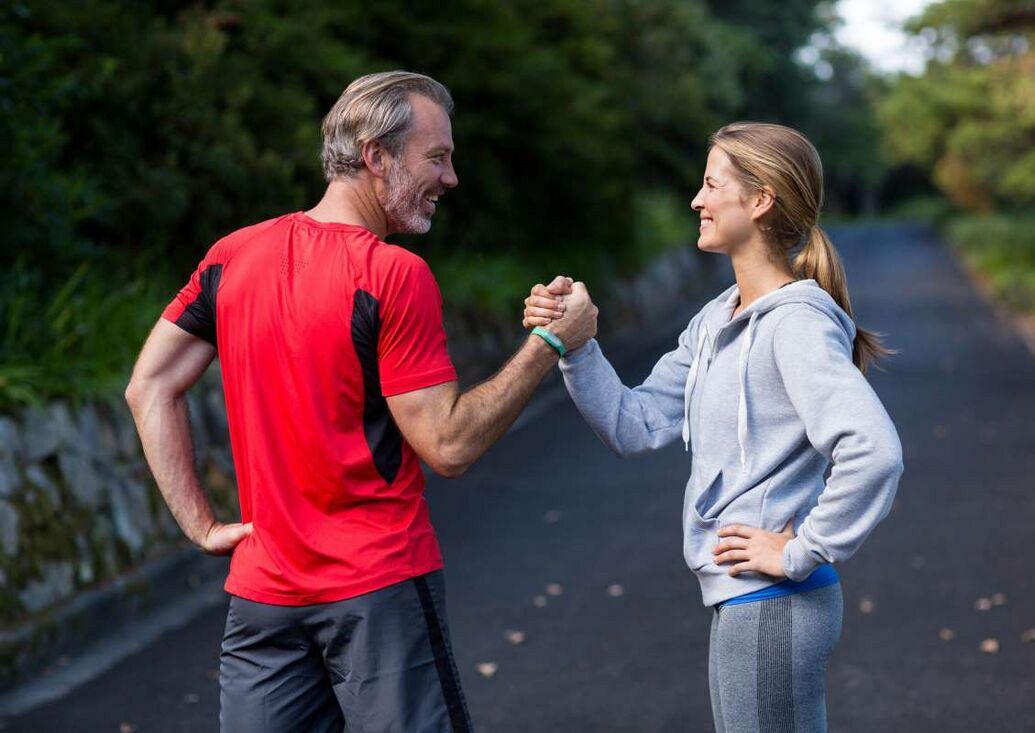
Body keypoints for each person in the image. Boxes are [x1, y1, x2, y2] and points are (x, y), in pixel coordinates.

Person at [125, 71, 596, 732]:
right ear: (376, 155)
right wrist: (550, 341)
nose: (451, 177)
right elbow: (450, 444)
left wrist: (200, 525)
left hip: (263, 596)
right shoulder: (391, 274)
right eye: (437, 157)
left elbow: (148, 384)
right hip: (377, 590)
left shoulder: (233, 257)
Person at [523, 122, 904, 732]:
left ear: (760, 200)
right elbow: (635, 423)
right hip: (746, 600)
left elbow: (874, 449)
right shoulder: (716, 320)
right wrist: (577, 345)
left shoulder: (795, 324)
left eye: (710, 184)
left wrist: (805, 548)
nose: (697, 200)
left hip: (774, 600)